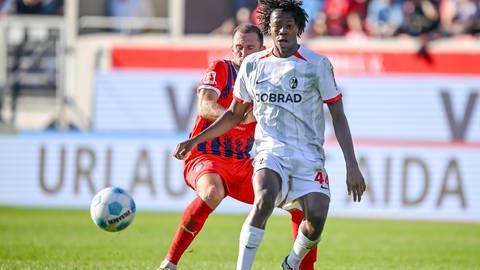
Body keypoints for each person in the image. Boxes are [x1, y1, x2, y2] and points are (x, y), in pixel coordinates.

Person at [172, 0, 367, 269]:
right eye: (277, 26)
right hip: (269, 152)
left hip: (308, 156)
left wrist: (352, 165)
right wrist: (194, 141)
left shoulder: (317, 64)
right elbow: (233, 114)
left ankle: (292, 262)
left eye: (289, 26)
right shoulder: (254, 65)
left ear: (299, 28)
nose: (283, 31)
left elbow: (338, 115)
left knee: (317, 217)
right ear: (269, 30)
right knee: (264, 198)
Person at [159, 23, 318, 270]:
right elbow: (205, 106)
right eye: (238, 47)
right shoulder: (221, 68)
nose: (243, 53)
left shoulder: (269, 80)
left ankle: (302, 267)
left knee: (301, 203)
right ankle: (169, 264)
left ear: (262, 49)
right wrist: (237, 117)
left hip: (243, 163)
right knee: (212, 192)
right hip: (206, 156)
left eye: (249, 47)